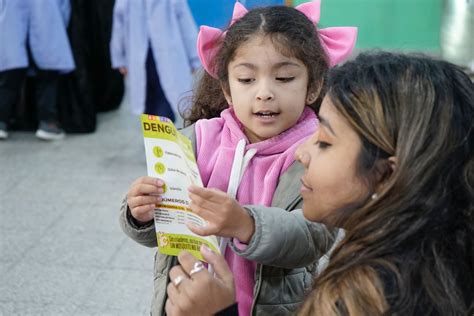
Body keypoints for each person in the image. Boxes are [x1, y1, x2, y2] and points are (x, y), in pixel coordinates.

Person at [164, 52, 474, 316]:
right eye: (246, 79)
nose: (301, 152)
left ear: (386, 175)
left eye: (324, 141)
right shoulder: (433, 263)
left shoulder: (375, 299)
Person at [119, 1, 357, 315]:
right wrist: (141, 214)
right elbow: (168, 228)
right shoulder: (197, 139)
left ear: (312, 87)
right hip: (185, 303)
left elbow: (314, 236)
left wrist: (246, 224)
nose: (264, 92)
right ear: (228, 91)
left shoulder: (315, 151)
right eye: (247, 79)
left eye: (284, 78)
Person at [110, 0, 200, 125]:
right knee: (148, 105)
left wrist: (194, 58)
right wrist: (119, 58)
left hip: (168, 59)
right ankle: (154, 141)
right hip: (142, 61)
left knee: (165, 104)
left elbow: (186, 24)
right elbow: (118, 27)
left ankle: (164, 140)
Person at [0, 0, 75, 140]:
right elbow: (64, 7)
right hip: (45, 27)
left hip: (12, 29)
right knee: (48, 77)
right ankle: (48, 123)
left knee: (10, 77)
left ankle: (1, 121)